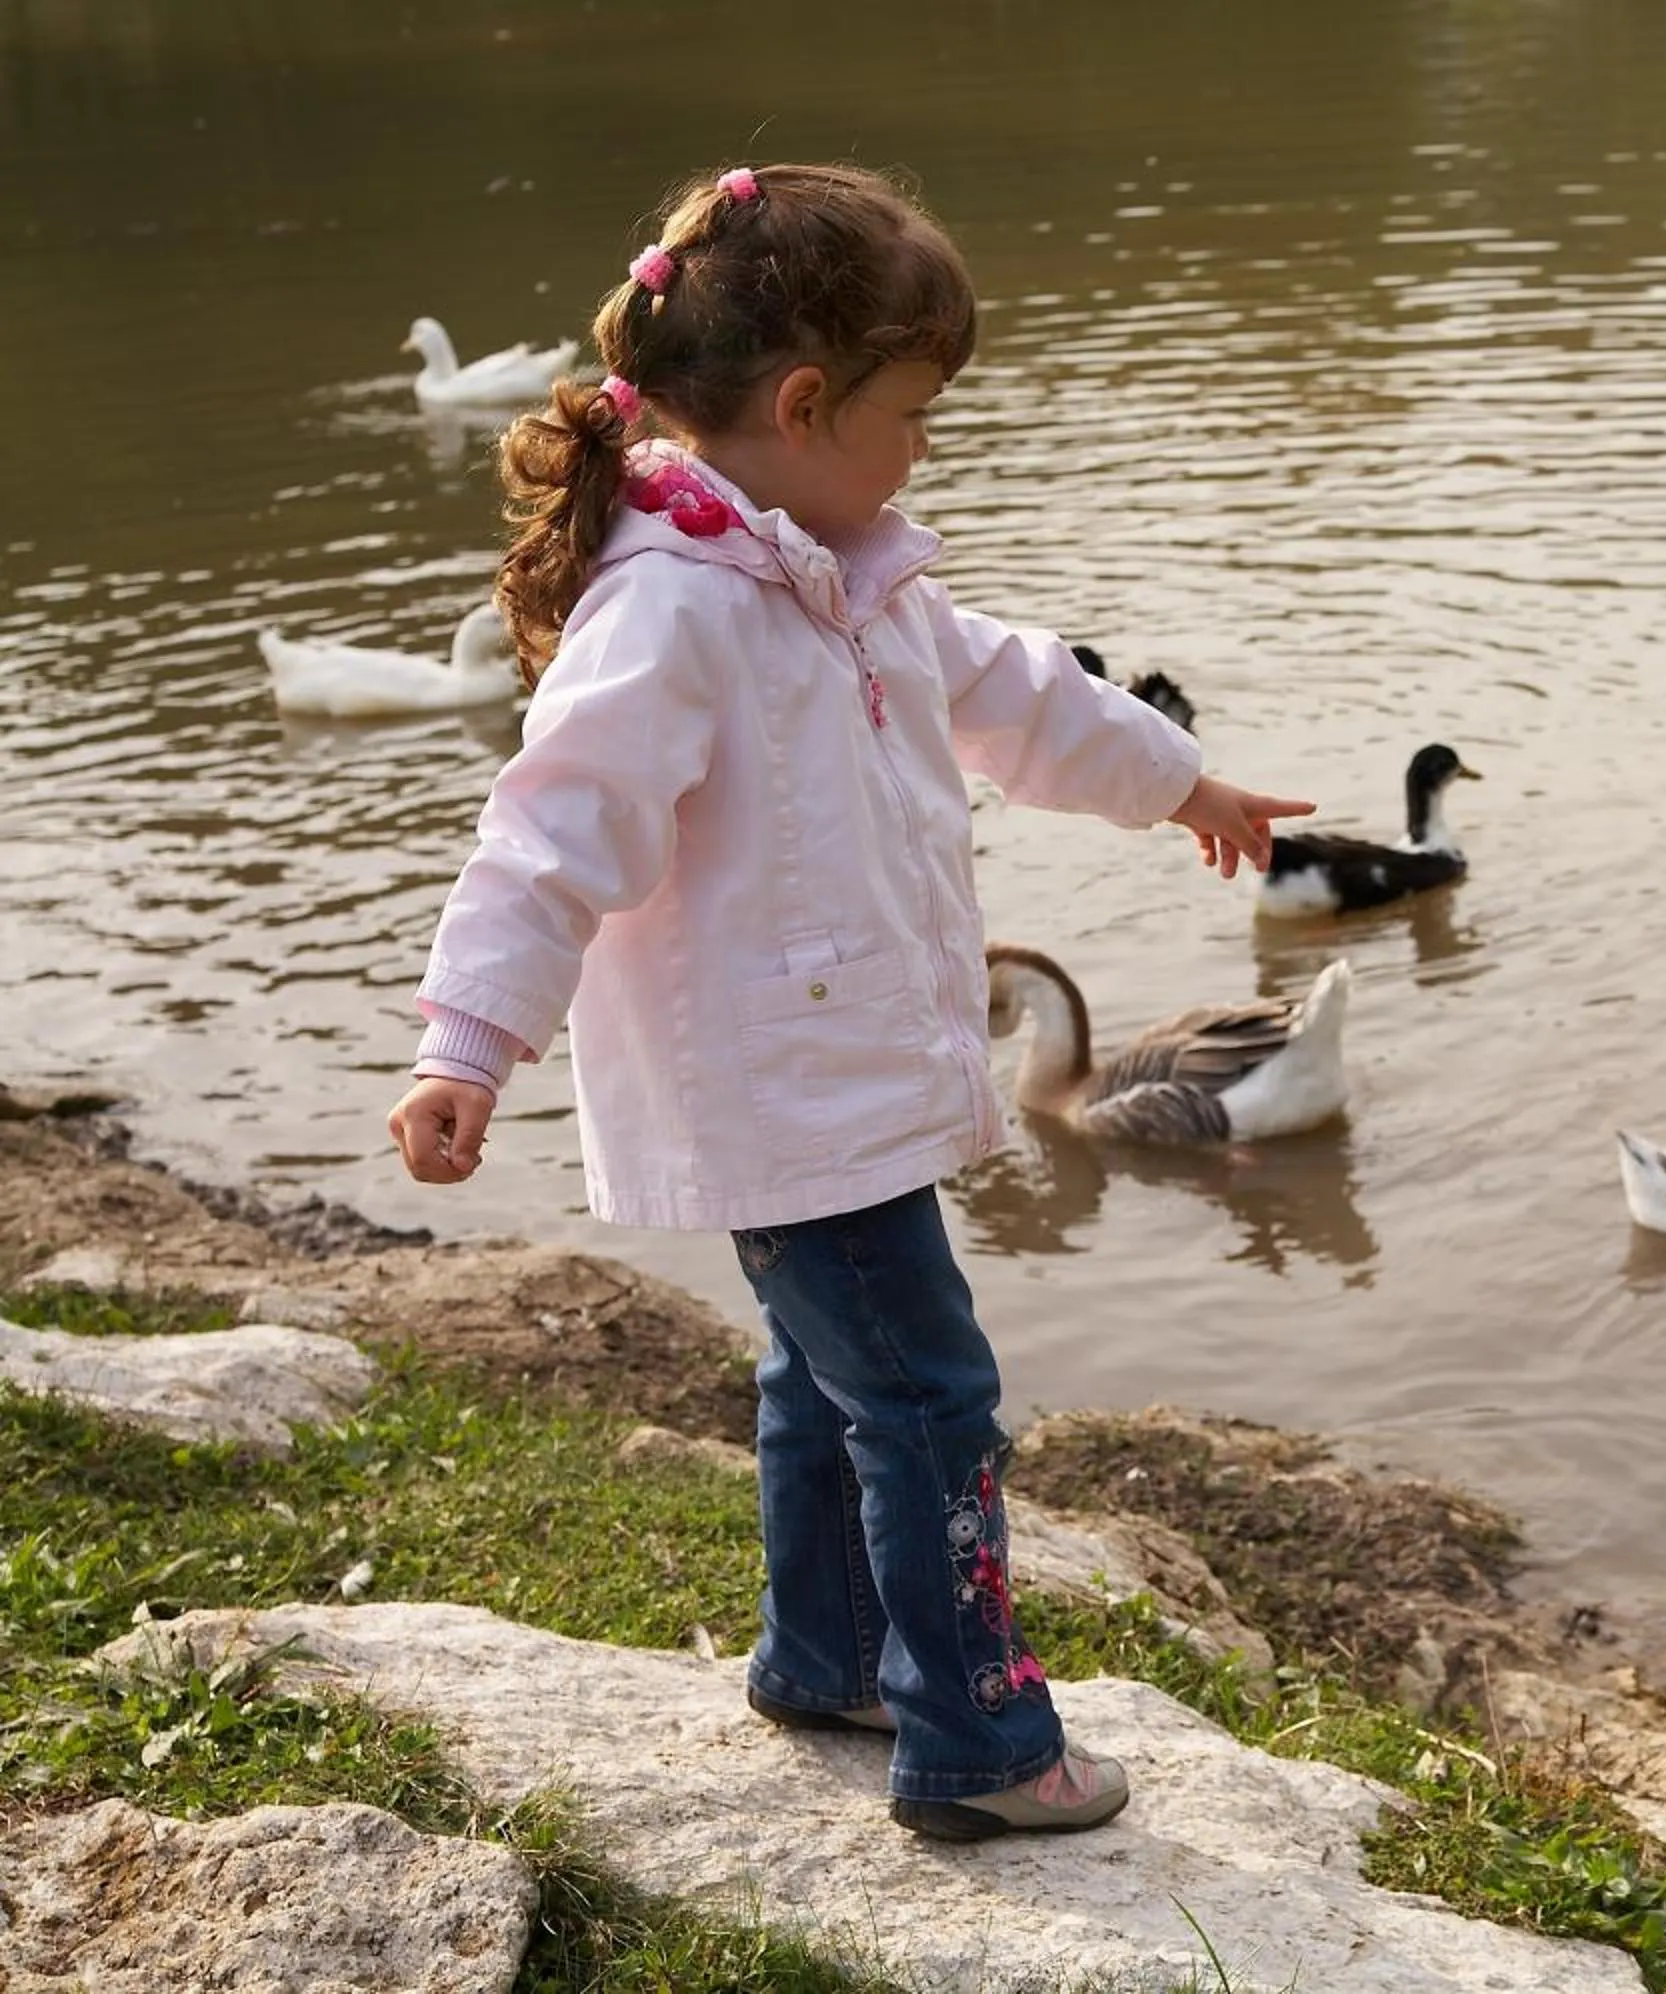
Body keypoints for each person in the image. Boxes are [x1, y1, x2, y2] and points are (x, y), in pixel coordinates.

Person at [382, 162, 1310, 1839]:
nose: (925, 447)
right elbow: (550, 832)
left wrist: (1182, 785)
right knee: (933, 1395)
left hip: (840, 1074)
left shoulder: (841, 567)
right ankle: (972, 1735)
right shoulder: (671, 608)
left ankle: (822, 1654)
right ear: (805, 404)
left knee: (828, 1380)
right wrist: (470, 1040)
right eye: (910, 410)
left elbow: (1022, 693)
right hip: (777, 1086)